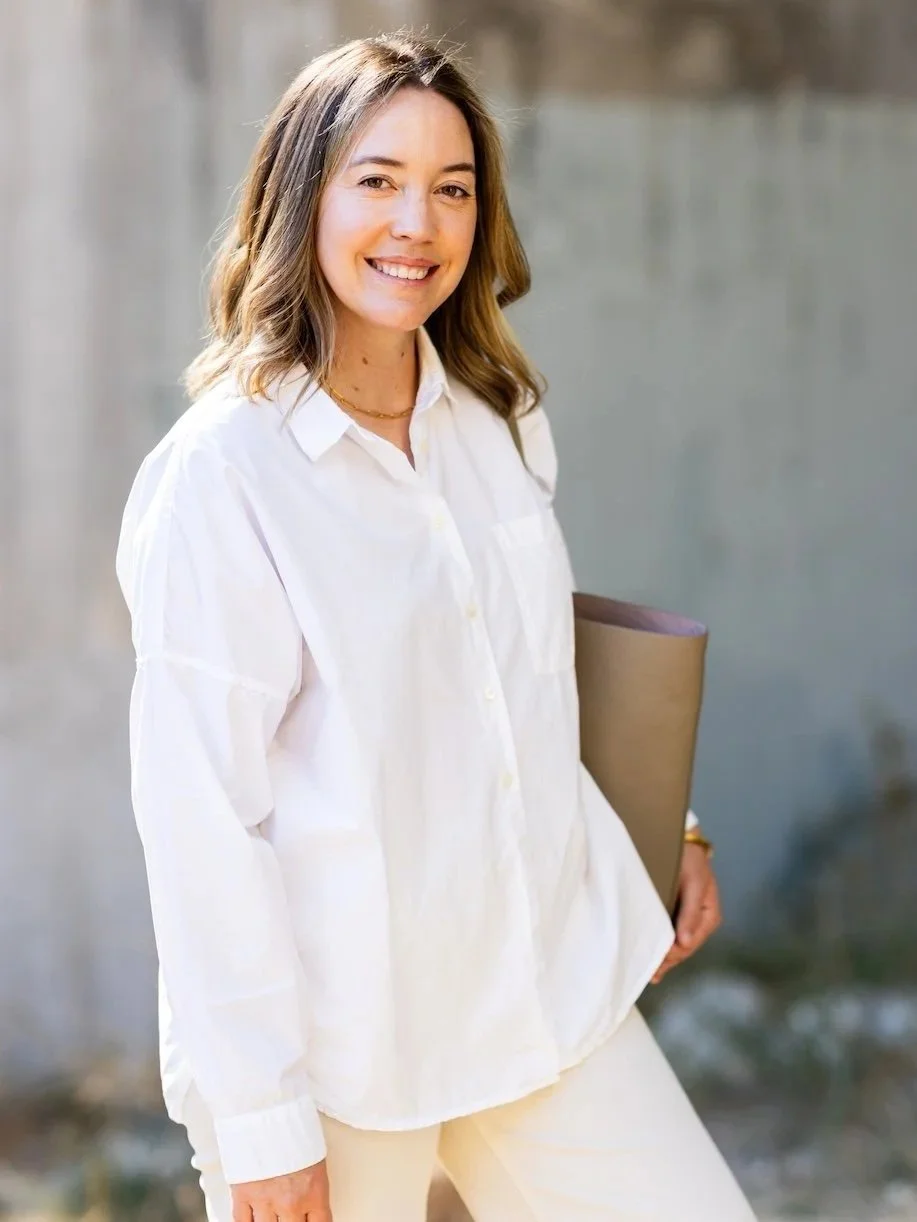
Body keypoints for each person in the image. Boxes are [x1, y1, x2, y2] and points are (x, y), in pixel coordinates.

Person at [116, 31, 757, 1222]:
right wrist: (260, 1121)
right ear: (302, 196)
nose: (417, 223)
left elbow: (516, 671)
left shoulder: (495, 420)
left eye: (451, 189)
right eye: (378, 180)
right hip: (346, 1056)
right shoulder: (225, 474)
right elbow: (202, 816)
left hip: (541, 1005)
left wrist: (658, 815)